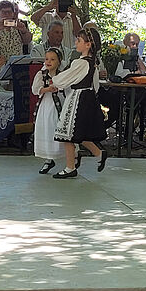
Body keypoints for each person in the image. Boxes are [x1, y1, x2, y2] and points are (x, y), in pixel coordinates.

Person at [49, 27, 108, 178]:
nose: (76, 42)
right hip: (86, 97)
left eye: (79, 40)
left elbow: (65, 78)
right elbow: (95, 84)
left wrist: (54, 79)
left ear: (88, 45)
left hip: (78, 98)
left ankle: (70, 167)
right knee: (78, 133)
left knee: (67, 133)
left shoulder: (80, 63)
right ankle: (98, 154)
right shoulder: (91, 63)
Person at [32, 47, 67, 175]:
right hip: (46, 105)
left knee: (58, 128)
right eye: (47, 59)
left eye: (52, 59)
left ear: (59, 61)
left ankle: (72, 155)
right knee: (46, 128)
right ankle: (48, 158)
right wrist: (47, 89)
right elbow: (35, 89)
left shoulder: (62, 74)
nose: (49, 62)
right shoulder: (41, 74)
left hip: (59, 105)